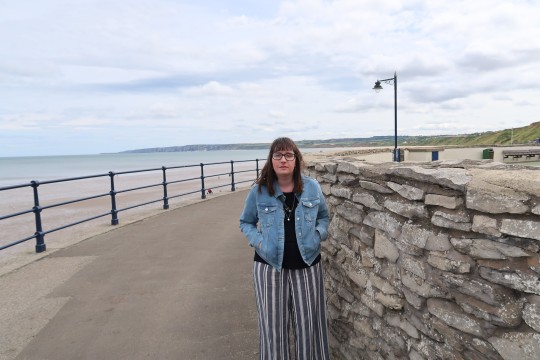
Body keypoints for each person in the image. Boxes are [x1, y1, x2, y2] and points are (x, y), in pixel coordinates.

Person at [239, 137, 330, 360]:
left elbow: (324, 217)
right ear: (271, 160)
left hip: (307, 265)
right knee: (273, 329)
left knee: (309, 328)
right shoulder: (259, 191)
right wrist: (259, 242)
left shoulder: (312, 187)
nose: (283, 160)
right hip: (269, 268)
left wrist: (318, 236)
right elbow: (246, 222)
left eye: (289, 155)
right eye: (278, 155)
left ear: (296, 160)